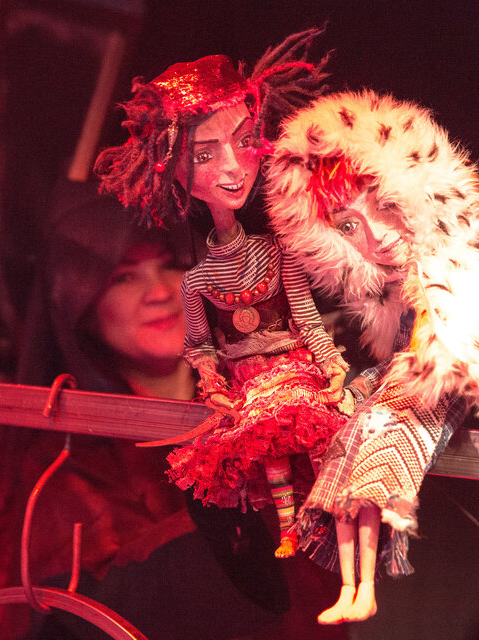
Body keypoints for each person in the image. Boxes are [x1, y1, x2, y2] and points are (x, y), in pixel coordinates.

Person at [263, 90, 479, 624]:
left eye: (385, 207)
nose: (377, 236)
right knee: (341, 459)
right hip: (398, 385)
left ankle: (364, 588)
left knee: (372, 463)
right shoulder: (383, 297)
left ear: (418, 197)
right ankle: (352, 589)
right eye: (347, 226)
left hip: (429, 390)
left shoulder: (454, 273)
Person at [0, 184, 286, 640]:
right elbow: (111, 609)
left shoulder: (263, 392)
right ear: (80, 305)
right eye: (124, 277)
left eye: (170, 265)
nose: (158, 292)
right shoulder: (61, 452)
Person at [93, 28, 349, 559]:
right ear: (172, 168)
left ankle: (318, 521)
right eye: (205, 154)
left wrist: (330, 363)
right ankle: (290, 526)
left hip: (292, 369)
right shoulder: (197, 282)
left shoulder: (280, 253)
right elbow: (202, 345)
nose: (232, 167)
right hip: (245, 384)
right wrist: (212, 380)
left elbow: (306, 317)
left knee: (315, 446)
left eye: (245, 140)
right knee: (269, 458)